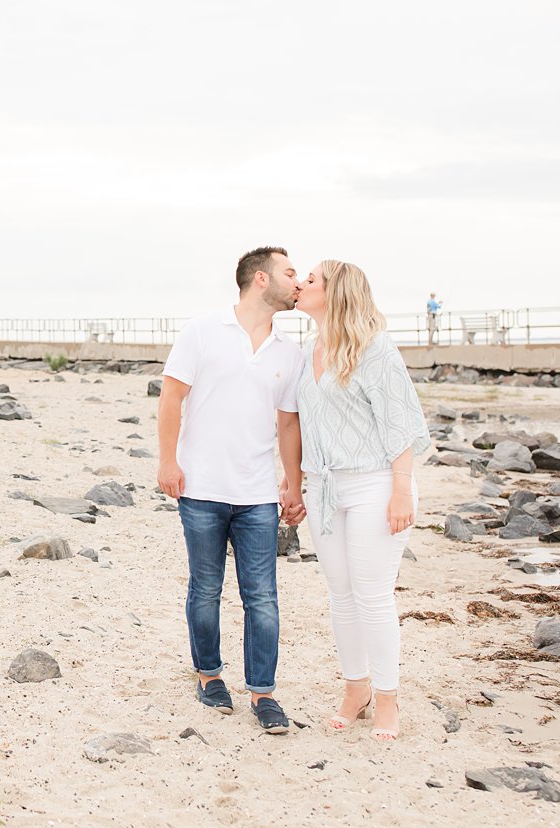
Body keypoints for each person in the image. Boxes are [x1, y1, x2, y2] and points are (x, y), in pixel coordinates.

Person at [156, 246, 305, 735]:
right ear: (260, 279)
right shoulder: (202, 331)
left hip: (259, 492)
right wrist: (168, 461)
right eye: (289, 272)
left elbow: (288, 425)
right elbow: (172, 398)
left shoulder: (289, 349)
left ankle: (263, 693)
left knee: (262, 596)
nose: (297, 280)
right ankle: (209, 677)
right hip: (201, 485)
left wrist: (293, 484)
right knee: (206, 588)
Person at [282, 260, 431, 741]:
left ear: (336, 292)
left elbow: (400, 423)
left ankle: (388, 698)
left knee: (372, 595)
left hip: (375, 484)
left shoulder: (376, 348)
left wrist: (402, 490)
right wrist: (294, 483)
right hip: (326, 488)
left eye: (310, 280)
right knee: (340, 596)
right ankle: (356, 689)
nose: (300, 284)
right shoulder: (310, 350)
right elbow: (300, 424)